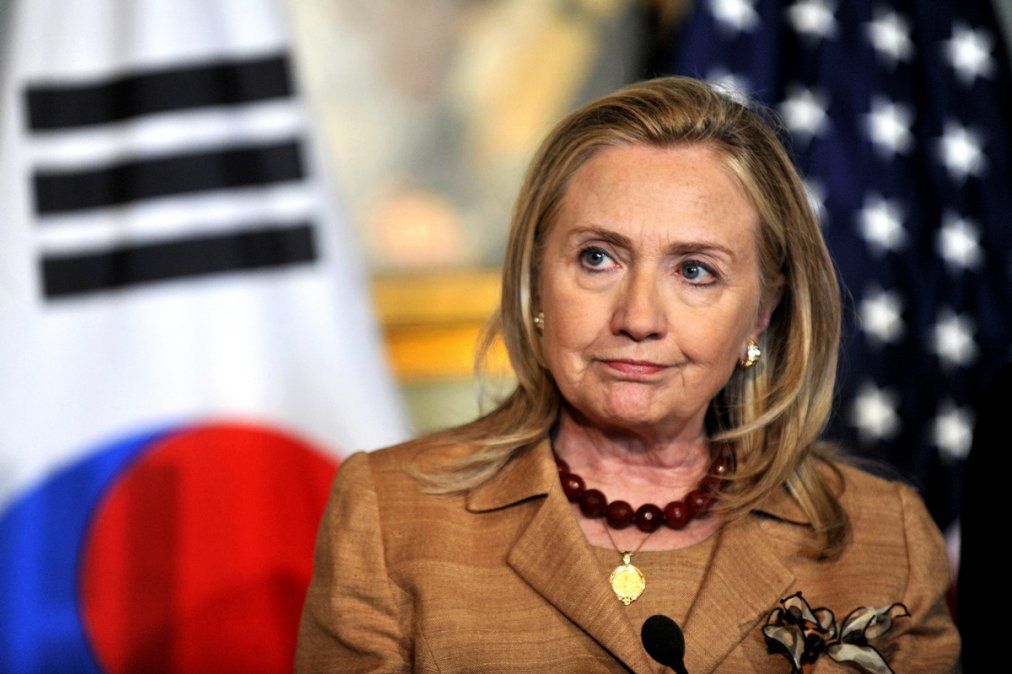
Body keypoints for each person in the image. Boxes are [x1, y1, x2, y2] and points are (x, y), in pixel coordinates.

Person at [295, 77, 960, 672]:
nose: (639, 317)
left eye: (695, 270)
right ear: (534, 283)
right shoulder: (390, 516)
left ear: (760, 315)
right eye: (597, 259)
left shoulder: (883, 536)